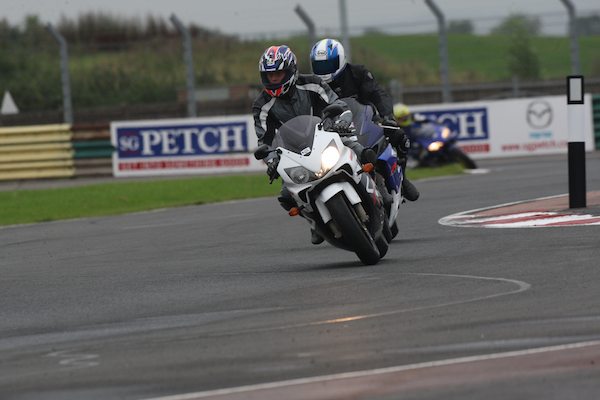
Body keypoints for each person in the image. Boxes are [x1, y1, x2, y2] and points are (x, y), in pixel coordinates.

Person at [252, 44, 373, 244]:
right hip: (293, 150)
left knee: (359, 150)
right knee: (286, 195)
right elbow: (264, 139)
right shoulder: (262, 104)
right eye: (270, 75)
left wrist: (342, 120)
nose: (273, 79)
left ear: (291, 70)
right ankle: (315, 221)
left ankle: (378, 191)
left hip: (326, 135)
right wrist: (272, 160)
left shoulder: (312, 83)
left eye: (278, 74)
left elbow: (338, 104)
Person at [310, 38, 419, 202]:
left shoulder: (357, 73)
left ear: (340, 59)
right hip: (333, 130)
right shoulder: (313, 85)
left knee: (399, 136)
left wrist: (387, 116)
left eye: (328, 64)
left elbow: (378, 94)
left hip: (366, 121)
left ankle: (402, 178)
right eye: (320, 66)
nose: (324, 70)